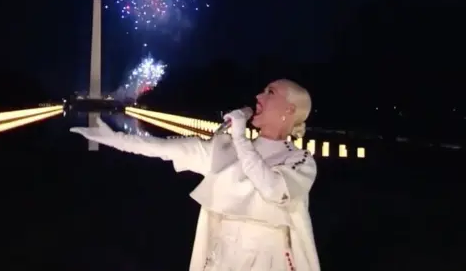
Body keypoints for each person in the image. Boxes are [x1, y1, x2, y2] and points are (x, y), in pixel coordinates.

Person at [70, 79, 320, 271]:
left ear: (289, 109)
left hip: (269, 261)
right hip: (221, 259)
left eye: (270, 92)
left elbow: (274, 189)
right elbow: (161, 148)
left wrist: (240, 138)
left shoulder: (299, 161)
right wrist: (113, 139)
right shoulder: (224, 149)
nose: (258, 96)